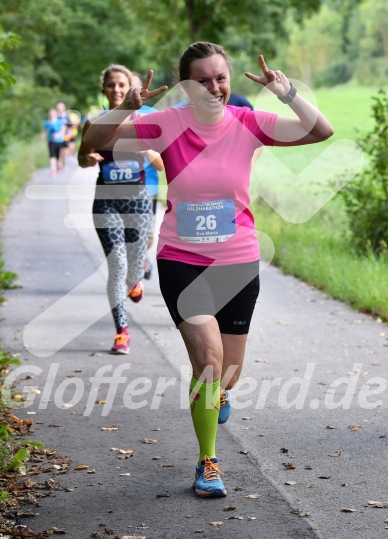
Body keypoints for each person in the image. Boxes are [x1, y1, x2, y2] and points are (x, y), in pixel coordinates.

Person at [84, 42, 334, 498]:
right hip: (182, 259)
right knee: (209, 364)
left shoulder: (248, 123)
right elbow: (93, 143)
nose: (213, 87)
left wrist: (287, 92)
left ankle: (218, 395)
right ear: (185, 84)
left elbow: (321, 132)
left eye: (220, 78)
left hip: (238, 262)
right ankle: (208, 461)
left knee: (228, 373)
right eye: (202, 80)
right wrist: (124, 108)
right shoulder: (166, 123)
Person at [78, 64, 163, 355]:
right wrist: (89, 158)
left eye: (121, 84)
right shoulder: (93, 123)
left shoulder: (143, 123)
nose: (116, 89)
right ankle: (122, 333)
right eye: (111, 84)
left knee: (133, 269)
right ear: (104, 89)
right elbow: (82, 158)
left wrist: (145, 149)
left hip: (138, 201)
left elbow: (163, 165)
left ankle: (135, 282)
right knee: (117, 267)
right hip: (106, 202)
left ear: (131, 88)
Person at [130, 72, 164, 280]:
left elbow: (161, 163)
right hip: (118, 186)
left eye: (136, 87)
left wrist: (143, 149)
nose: (134, 93)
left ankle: (142, 255)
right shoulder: (111, 115)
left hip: (148, 186)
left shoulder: (154, 115)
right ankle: (134, 262)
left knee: (147, 234)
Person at [42, 108, 65, 177]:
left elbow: (63, 130)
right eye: (50, 114)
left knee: (59, 156)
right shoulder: (46, 123)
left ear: (55, 114)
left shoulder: (59, 122)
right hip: (51, 142)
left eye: (53, 113)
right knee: (52, 156)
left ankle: (59, 166)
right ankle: (53, 171)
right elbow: (45, 131)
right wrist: (43, 137)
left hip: (59, 141)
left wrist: (58, 135)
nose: (52, 115)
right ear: (49, 115)